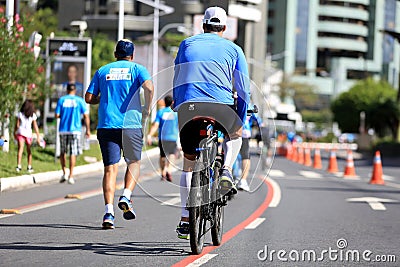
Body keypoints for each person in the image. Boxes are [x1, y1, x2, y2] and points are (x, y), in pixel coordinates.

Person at [173, 6, 250, 239]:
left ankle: (186, 216)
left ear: (202, 26)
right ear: (224, 28)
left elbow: (177, 75)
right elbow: (244, 89)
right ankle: (226, 169)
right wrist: (242, 117)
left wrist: (178, 103)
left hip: (189, 106)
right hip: (222, 107)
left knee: (188, 162)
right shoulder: (234, 49)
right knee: (235, 135)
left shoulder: (186, 44)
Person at [85, 39, 154, 230]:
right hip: (130, 125)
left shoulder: (103, 71)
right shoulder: (138, 69)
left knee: (110, 169)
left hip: (107, 125)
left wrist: (104, 98)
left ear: (116, 54)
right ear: (131, 56)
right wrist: (146, 108)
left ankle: (109, 213)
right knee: (133, 162)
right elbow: (149, 88)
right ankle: (126, 196)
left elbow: (88, 97)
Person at [55, 83, 90, 185]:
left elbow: (57, 115)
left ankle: (64, 172)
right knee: (73, 152)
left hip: (63, 129)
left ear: (67, 90)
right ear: (74, 90)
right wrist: (87, 130)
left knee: (63, 151)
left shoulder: (61, 100)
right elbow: (86, 116)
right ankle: (71, 175)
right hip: (75, 130)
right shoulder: (79, 101)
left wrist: (64, 115)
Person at [147, 95, 179, 182]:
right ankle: (169, 169)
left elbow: (156, 125)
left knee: (162, 156)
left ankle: (163, 172)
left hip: (163, 138)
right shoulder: (175, 114)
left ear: (164, 102)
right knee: (172, 155)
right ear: (172, 102)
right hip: (172, 137)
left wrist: (149, 135)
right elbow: (179, 126)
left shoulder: (160, 112)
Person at [14, 99, 41, 173]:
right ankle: (29, 166)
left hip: (21, 133)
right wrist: (38, 136)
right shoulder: (33, 115)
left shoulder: (20, 114)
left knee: (20, 150)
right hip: (28, 134)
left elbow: (17, 125)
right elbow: (35, 126)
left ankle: (18, 166)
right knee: (29, 150)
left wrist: (14, 132)